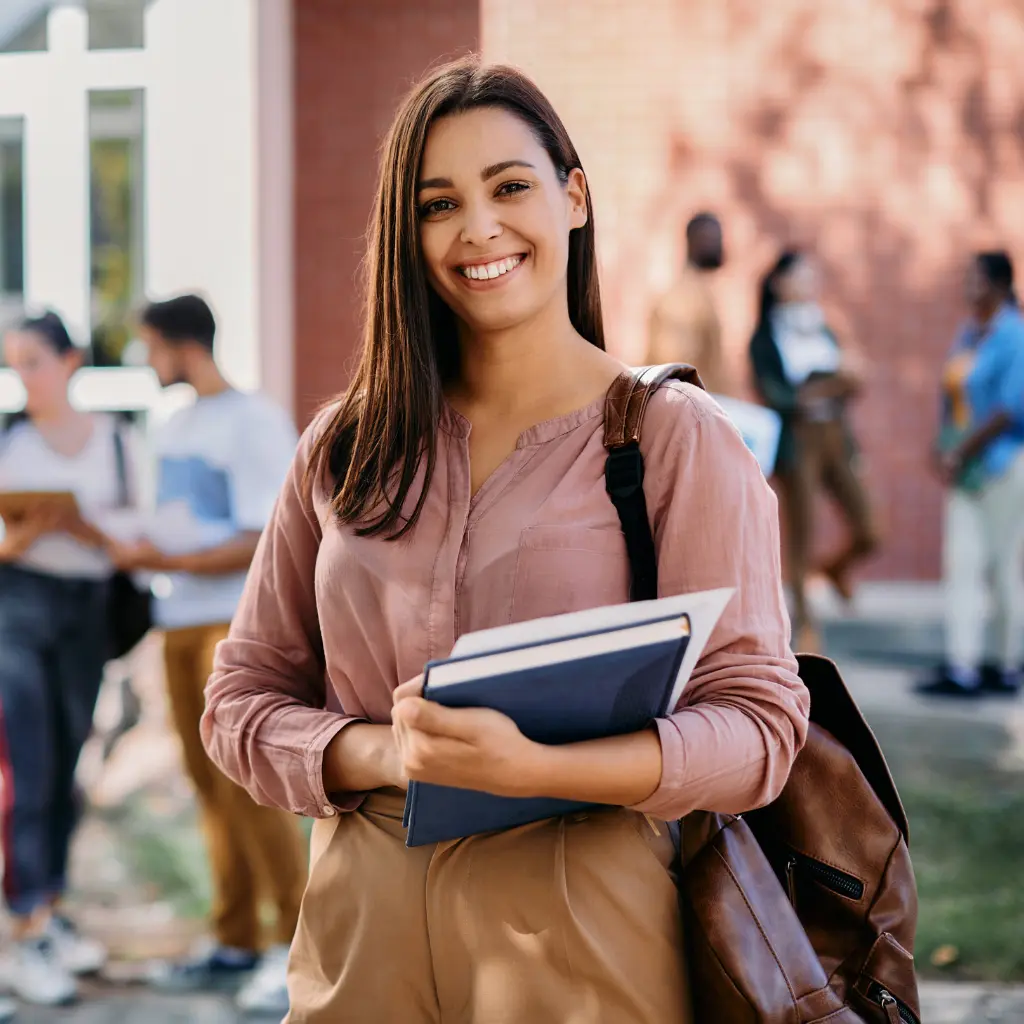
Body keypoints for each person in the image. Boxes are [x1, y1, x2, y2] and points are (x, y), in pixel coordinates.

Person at [200, 58, 810, 1023]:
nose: (478, 228)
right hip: (361, 930)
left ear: (573, 197)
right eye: (439, 203)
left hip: (584, 924)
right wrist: (381, 755)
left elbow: (762, 729)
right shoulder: (344, 447)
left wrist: (538, 770)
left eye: (510, 186)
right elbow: (239, 702)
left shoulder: (675, 439)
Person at [109, 295, 307, 1015]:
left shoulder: (254, 423)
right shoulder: (176, 425)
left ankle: (296, 948)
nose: (145, 362)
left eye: (151, 347)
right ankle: (234, 941)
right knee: (207, 786)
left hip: (236, 624)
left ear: (183, 346)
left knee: (253, 789)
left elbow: (267, 535)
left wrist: (171, 559)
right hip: (177, 622)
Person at [0, 312, 139, 1006]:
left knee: (67, 767)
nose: (21, 377)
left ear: (70, 361)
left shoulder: (117, 442)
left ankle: (47, 906)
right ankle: (27, 928)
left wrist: (84, 527)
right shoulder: (9, 440)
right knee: (28, 768)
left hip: (87, 613)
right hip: (16, 610)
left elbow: (143, 537)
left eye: (32, 361)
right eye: (12, 364)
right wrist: (20, 538)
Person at [749, 250, 877, 650]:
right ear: (779, 282)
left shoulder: (822, 327)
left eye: (813, 277)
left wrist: (830, 387)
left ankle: (836, 568)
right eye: (801, 277)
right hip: (797, 442)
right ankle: (804, 627)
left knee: (871, 527)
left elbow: (850, 382)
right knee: (800, 537)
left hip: (835, 437)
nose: (809, 285)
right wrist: (832, 384)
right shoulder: (766, 335)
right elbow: (780, 395)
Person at [918, 251, 1024, 698]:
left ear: (1000, 285)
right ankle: (962, 665)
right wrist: (942, 447)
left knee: (1003, 566)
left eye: (976, 279)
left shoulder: (1014, 335)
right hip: (963, 469)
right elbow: (953, 397)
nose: (968, 287)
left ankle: (1006, 663)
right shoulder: (968, 335)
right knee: (961, 562)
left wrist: (961, 449)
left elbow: (1010, 408)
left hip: (1001, 465)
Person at [646, 212, 729, 394]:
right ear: (694, 241)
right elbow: (673, 370)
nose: (720, 245)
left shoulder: (702, 291)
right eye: (713, 238)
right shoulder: (682, 298)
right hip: (691, 403)